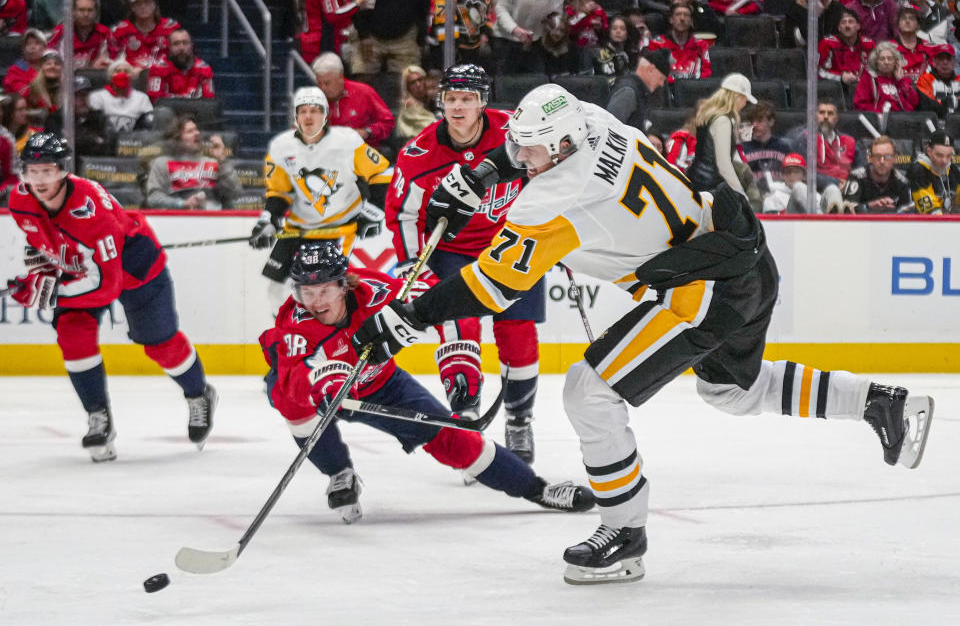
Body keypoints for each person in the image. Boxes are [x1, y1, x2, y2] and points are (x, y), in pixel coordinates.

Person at [350, 83, 934, 584]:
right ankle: (882, 403)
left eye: (527, 149)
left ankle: (624, 532)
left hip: (699, 290)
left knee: (587, 390)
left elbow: (488, 288)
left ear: (558, 146)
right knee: (731, 391)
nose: (518, 157)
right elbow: (575, 125)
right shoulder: (595, 121)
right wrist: (484, 172)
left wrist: (411, 317)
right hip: (739, 249)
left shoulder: (554, 201)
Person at [260, 241, 595, 523]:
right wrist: (324, 380)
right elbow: (294, 379)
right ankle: (338, 474)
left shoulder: (375, 292)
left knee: (459, 442)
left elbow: (434, 308)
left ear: (344, 285)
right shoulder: (295, 321)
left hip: (382, 386)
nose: (316, 302)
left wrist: (457, 355)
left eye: (324, 291)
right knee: (288, 400)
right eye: (308, 292)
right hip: (321, 395)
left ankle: (538, 489)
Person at [6, 132, 217, 462]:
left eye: (47, 171)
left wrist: (50, 290)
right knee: (73, 335)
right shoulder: (20, 199)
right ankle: (98, 417)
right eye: (33, 171)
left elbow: (106, 285)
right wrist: (39, 277)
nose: (40, 179)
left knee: (159, 342)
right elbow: (40, 243)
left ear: (62, 170)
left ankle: (198, 394)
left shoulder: (89, 211)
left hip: (134, 265)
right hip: (83, 269)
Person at [385, 64, 545, 463]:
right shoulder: (419, 154)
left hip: (512, 244)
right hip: (452, 250)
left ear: (482, 103)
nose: (458, 108)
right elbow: (404, 214)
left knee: (518, 333)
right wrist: (411, 265)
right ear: (441, 102)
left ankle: (520, 420)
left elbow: (550, 171)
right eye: (451, 99)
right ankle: (465, 408)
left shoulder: (516, 132)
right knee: (460, 324)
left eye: (467, 99)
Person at [248, 86, 392, 314]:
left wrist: (373, 210)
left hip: (340, 229)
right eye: (302, 111)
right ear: (295, 116)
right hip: (298, 229)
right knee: (276, 291)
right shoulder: (281, 147)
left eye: (314, 110)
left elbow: (382, 173)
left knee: (328, 290)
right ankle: (291, 339)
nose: (308, 116)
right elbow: (278, 191)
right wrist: (268, 220)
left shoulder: (347, 141)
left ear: (325, 115)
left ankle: (325, 339)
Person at [145, 116, 242, 210]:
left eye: (196, 130)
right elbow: (153, 198)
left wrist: (221, 159)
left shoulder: (213, 162)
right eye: (190, 131)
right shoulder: (162, 163)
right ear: (177, 138)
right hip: (177, 220)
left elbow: (235, 192)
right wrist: (182, 204)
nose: (197, 133)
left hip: (213, 220)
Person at [686, 73, 755, 194]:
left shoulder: (708, 116)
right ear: (737, 96)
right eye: (745, 99)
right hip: (710, 186)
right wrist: (739, 192)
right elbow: (723, 164)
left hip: (697, 180)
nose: (745, 104)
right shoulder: (722, 120)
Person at [311, 52, 395, 150]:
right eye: (319, 84)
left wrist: (366, 132)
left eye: (327, 83)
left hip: (364, 152)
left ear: (340, 77)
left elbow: (388, 123)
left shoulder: (363, 92)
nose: (323, 88)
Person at [349, 0, 430, 76]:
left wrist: (421, 40)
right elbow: (361, 5)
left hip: (405, 37)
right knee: (362, 77)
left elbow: (422, 13)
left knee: (409, 80)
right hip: (370, 36)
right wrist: (364, 36)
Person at [491, 0, 566, 75]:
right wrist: (515, 29)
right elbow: (501, 8)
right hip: (505, 40)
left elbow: (557, 13)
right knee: (504, 83)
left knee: (537, 84)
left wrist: (554, 23)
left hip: (535, 41)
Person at [298, 0, 376, 64]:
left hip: (326, 40)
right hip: (320, 43)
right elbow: (332, 15)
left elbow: (341, 7)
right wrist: (356, 4)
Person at [112, 0, 181, 74]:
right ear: (132, 7)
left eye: (147, 2)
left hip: (165, 78)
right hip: (131, 79)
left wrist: (150, 69)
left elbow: (180, 59)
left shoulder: (170, 28)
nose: (143, 6)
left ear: (154, 4)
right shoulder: (120, 30)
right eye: (138, 3)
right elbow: (113, 61)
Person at [43, 75, 112, 159]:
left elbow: (108, 147)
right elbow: (60, 148)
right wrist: (94, 139)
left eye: (85, 95)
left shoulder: (99, 117)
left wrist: (76, 138)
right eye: (76, 96)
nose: (82, 100)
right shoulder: (55, 119)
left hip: (95, 168)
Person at [47, 0, 117, 69]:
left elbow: (115, 61)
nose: (86, 14)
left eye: (90, 10)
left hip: (96, 77)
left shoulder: (105, 33)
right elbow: (48, 57)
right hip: (64, 77)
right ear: (73, 12)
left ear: (96, 12)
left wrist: (106, 61)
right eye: (81, 10)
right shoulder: (61, 32)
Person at [606, 46, 671, 131]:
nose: (661, 84)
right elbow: (610, 128)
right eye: (661, 79)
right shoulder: (627, 92)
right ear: (650, 69)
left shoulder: (644, 91)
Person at [843, 136, 912, 213]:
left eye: (887, 156)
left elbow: (907, 214)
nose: (882, 161)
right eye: (877, 156)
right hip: (862, 224)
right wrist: (869, 206)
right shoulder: (857, 177)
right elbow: (846, 210)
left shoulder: (902, 183)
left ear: (895, 158)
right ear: (870, 158)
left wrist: (893, 210)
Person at [739, 101, 793, 195]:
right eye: (752, 121)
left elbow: (794, 176)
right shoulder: (742, 149)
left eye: (759, 120)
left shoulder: (784, 148)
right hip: (752, 195)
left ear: (771, 122)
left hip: (781, 194)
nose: (755, 125)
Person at [146, 29, 215, 103]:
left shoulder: (204, 68)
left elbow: (209, 100)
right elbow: (155, 99)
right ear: (169, 47)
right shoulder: (158, 68)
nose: (181, 48)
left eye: (185, 43)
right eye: (176, 44)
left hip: (194, 111)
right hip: (167, 110)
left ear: (192, 46)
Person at [88, 59, 154, 135]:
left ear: (132, 76)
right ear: (110, 76)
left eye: (126, 71)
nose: (122, 74)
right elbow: (93, 123)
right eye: (118, 71)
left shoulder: (142, 98)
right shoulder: (97, 96)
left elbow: (149, 121)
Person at [763, 152, 845, 214]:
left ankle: (840, 218)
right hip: (791, 229)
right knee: (798, 187)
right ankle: (820, 218)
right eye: (788, 172)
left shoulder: (814, 194)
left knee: (832, 189)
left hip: (816, 227)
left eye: (796, 171)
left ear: (804, 176)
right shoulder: (773, 197)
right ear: (783, 176)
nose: (792, 175)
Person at [648, 3, 712, 80]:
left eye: (686, 15)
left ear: (691, 21)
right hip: (668, 89)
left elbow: (707, 72)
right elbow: (654, 74)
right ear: (671, 20)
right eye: (678, 14)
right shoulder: (656, 44)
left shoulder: (701, 45)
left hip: (695, 88)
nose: (682, 18)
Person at [853, 41, 919, 112]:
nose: (886, 62)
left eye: (890, 59)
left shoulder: (902, 80)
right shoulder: (868, 79)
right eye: (882, 59)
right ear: (876, 62)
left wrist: (901, 81)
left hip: (902, 119)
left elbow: (914, 102)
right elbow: (859, 104)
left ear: (896, 62)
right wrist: (879, 114)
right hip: (878, 120)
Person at [818, 7, 875, 88]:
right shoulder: (827, 44)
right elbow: (818, 72)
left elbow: (875, 70)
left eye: (851, 22)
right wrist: (840, 77)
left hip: (863, 88)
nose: (847, 26)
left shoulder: (868, 44)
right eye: (843, 22)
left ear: (858, 26)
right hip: (835, 89)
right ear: (839, 28)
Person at [908, 130, 960, 214]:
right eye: (939, 155)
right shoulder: (919, 170)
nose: (944, 161)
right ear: (929, 151)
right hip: (921, 223)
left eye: (949, 156)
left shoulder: (952, 169)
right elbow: (929, 211)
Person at [565, 0, 609, 72]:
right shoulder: (570, 8)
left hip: (596, 48)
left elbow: (606, 27)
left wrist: (600, 28)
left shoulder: (598, 8)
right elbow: (569, 28)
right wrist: (584, 13)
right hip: (576, 50)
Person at [594, 14, 640, 83]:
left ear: (628, 33)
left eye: (622, 29)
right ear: (609, 32)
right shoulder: (601, 52)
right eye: (614, 28)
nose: (618, 31)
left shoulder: (632, 52)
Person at [396, 64, 437, 139]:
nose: (418, 85)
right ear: (407, 87)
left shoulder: (430, 101)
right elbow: (430, 125)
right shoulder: (409, 104)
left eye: (420, 80)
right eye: (412, 83)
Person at [917, 44, 960, 116]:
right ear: (934, 62)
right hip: (934, 124)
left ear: (954, 62)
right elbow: (927, 107)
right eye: (941, 58)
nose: (945, 62)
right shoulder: (924, 80)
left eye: (948, 58)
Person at [3, 28, 47, 98]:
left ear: (45, 48)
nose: (32, 47)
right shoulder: (14, 71)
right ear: (24, 49)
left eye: (37, 43)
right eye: (28, 44)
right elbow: (28, 95)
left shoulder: (51, 68)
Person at [894, 5, 932, 83]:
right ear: (898, 24)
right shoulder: (890, 47)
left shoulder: (928, 46)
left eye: (911, 18)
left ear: (918, 25)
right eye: (903, 18)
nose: (907, 21)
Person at [25, 50, 63, 124]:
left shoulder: (69, 89)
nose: (53, 66)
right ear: (41, 67)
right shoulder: (32, 89)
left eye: (57, 64)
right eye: (48, 64)